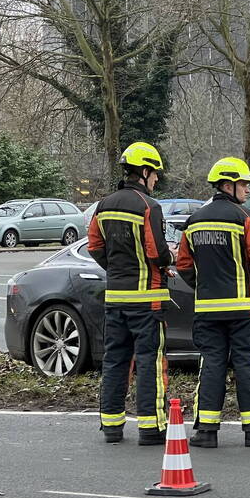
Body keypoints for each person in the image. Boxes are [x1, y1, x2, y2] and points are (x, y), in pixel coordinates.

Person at [176, 157, 250, 448]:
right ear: (228, 184)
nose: (247, 189)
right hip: (245, 308)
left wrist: (203, 287)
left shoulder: (194, 221)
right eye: (244, 184)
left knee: (211, 364)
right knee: (247, 364)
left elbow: (183, 265)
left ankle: (206, 431)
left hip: (207, 309)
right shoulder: (244, 218)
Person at [87, 142, 173, 445]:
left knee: (115, 360)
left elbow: (94, 246)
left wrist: (114, 268)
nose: (157, 180)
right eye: (155, 175)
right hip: (147, 299)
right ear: (145, 171)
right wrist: (169, 261)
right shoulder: (149, 207)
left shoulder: (104, 205)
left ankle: (111, 426)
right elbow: (157, 252)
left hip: (115, 298)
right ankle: (151, 428)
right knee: (150, 361)